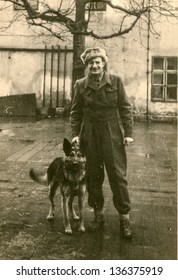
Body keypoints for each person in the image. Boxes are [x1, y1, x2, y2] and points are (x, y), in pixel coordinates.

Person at [70, 47, 133, 239]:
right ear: (86, 65)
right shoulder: (80, 85)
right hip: (89, 134)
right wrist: (75, 134)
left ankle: (124, 219)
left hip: (111, 133)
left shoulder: (115, 81)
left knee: (117, 176)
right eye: (91, 63)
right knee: (93, 176)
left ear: (104, 63)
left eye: (98, 62)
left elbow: (125, 108)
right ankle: (98, 216)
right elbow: (75, 112)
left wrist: (128, 133)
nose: (95, 66)